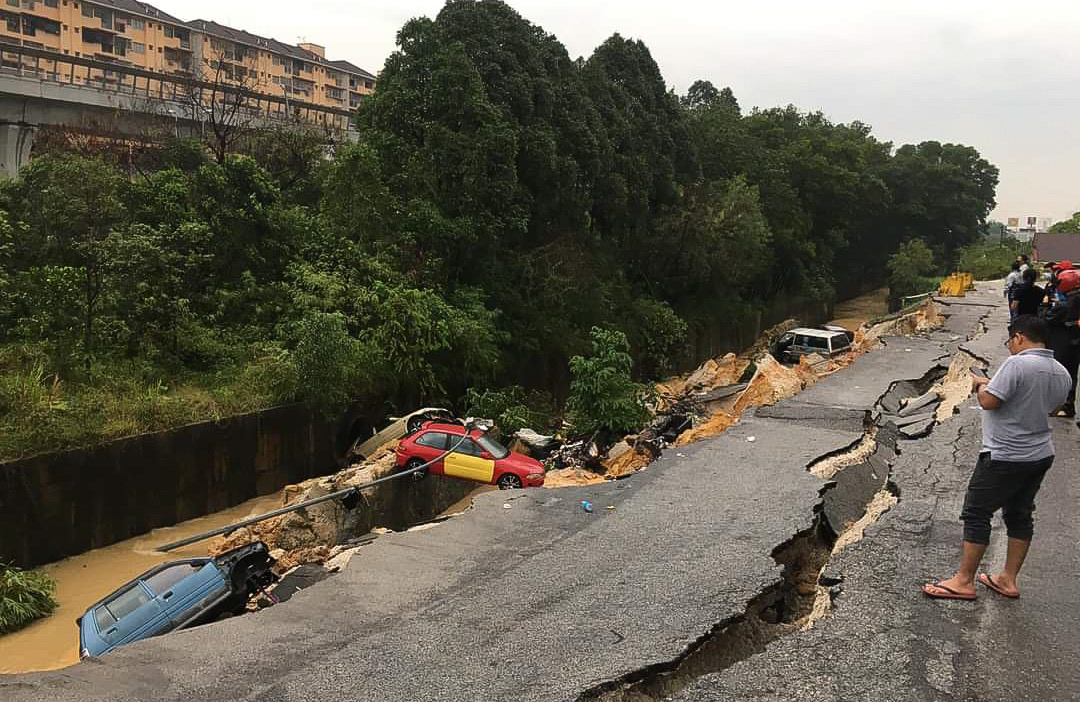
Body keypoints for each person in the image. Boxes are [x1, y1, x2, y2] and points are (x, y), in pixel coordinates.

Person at [922, 315, 1070, 601]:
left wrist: (981, 386)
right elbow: (1050, 405)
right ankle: (1007, 579)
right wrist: (997, 386)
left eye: (1010, 342)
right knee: (1019, 514)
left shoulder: (1016, 364)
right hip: (1040, 453)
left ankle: (964, 581)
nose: (1010, 348)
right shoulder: (1061, 371)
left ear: (1019, 337)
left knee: (977, 512)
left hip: (1006, 454)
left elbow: (989, 401)